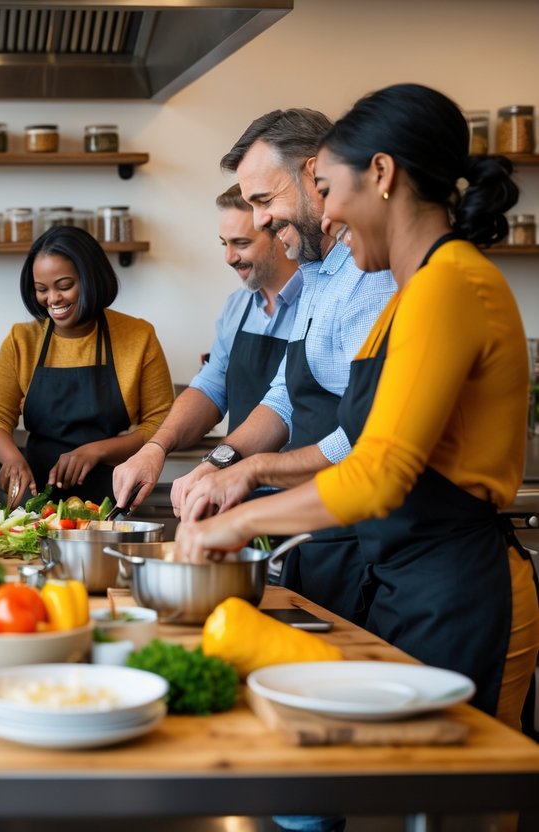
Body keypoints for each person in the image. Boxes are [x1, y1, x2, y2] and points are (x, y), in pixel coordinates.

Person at [175, 83, 539, 734]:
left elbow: (376, 471)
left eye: (330, 189)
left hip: (454, 585)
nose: (328, 213)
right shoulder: (411, 293)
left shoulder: (449, 284)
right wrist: (244, 476)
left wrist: (235, 519)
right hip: (406, 577)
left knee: (454, 807)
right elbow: (355, 439)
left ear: (381, 175)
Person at [171, 108, 397, 621]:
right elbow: (284, 398)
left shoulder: (373, 281)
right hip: (315, 538)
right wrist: (221, 462)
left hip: (364, 543)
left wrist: (253, 474)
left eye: (263, 201)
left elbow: (364, 438)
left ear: (315, 177)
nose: (260, 221)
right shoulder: (317, 276)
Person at [112, 185, 302, 509]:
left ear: (281, 236)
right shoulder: (238, 306)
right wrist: (155, 447)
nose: (229, 258)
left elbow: (285, 403)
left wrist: (214, 463)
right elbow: (211, 386)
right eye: (224, 244)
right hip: (233, 497)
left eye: (241, 243)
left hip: (301, 502)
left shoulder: (319, 302)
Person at [0, 225, 173, 505]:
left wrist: (96, 451)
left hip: (111, 499)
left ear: (91, 278)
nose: (53, 299)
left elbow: (161, 424)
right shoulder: (22, 340)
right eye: (41, 289)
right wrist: (11, 459)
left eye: (65, 286)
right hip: (36, 500)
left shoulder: (138, 336)